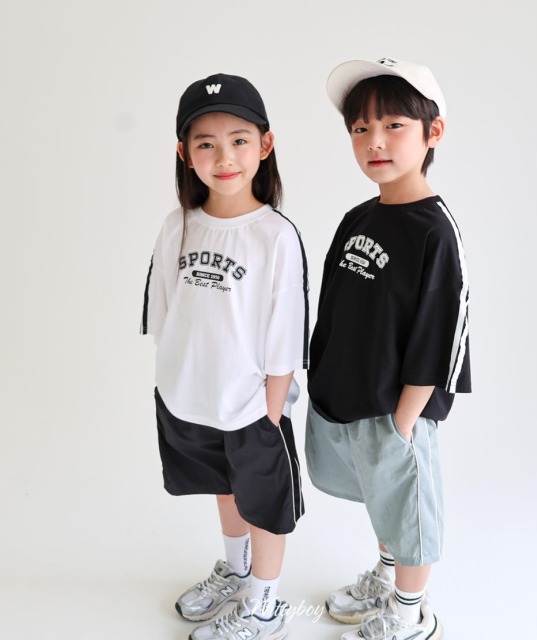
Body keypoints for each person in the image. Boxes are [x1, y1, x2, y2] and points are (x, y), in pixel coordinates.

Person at [305, 56, 471, 640]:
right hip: (351, 397)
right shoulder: (358, 217)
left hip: (399, 407)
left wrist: (405, 421)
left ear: (433, 132)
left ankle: (410, 613)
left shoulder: (435, 232)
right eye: (360, 128)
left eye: (394, 125)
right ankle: (384, 576)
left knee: (411, 511)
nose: (375, 141)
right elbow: (334, 307)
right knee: (383, 502)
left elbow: (442, 332)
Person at [141, 72, 309, 640]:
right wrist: (175, 380)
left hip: (253, 405)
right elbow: (163, 309)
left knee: (264, 502)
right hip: (193, 397)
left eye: (239, 140)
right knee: (225, 486)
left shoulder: (275, 235)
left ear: (265, 145)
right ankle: (237, 572)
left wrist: (272, 409)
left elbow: (287, 329)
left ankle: (264, 604)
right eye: (206, 144)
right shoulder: (178, 226)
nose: (224, 157)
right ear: (185, 154)